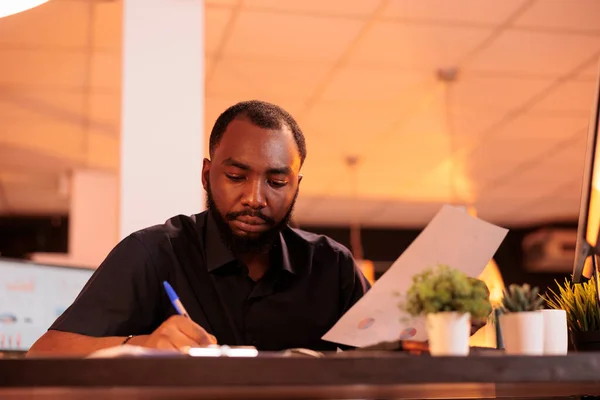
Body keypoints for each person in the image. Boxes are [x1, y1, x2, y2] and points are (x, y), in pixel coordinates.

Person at [27, 100, 372, 356]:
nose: (255, 198)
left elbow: (392, 360)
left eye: (277, 181)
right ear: (207, 175)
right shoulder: (154, 254)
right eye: (236, 177)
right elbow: (44, 353)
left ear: (296, 185)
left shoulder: (332, 267)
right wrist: (140, 345)